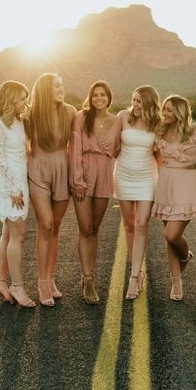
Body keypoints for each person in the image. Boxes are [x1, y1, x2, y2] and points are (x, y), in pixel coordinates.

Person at [26, 73, 76, 307]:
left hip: (61, 170)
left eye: (62, 85)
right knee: (45, 224)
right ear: (46, 89)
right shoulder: (31, 115)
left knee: (55, 227)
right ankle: (41, 282)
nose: (61, 89)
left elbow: (79, 143)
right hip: (37, 169)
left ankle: (51, 278)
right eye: (56, 85)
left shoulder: (70, 112)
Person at [69, 81, 121, 304]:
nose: (99, 98)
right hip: (84, 172)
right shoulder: (81, 117)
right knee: (85, 227)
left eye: (103, 95)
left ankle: (89, 273)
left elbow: (118, 148)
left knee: (96, 228)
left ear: (109, 97)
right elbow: (74, 149)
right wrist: (77, 181)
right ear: (90, 97)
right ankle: (88, 279)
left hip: (105, 173)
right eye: (95, 95)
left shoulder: (117, 120)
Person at [0, 80, 35, 308]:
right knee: (18, 235)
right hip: (8, 185)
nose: (26, 103)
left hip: (19, 182)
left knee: (8, 234)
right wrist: (13, 189)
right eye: (22, 99)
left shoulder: (19, 121)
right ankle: (17, 286)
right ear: (9, 100)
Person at [152, 95, 196, 301]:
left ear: (181, 111)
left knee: (172, 235)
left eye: (170, 110)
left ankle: (184, 257)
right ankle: (176, 282)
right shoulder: (159, 131)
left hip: (186, 184)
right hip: (165, 183)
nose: (165, 113)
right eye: (164, 109)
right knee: (168, 235)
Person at [114, 85, 160, 300]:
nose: (135, 105)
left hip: (146, 178)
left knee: (142, 224)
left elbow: (162, 152)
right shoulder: (123, 116)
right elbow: (112, 144)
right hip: (123, 175)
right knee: (129, 225)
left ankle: (134, 277)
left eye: (139, 101)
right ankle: (137, 269)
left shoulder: (157, 124)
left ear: (149, 103)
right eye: (133, 100)